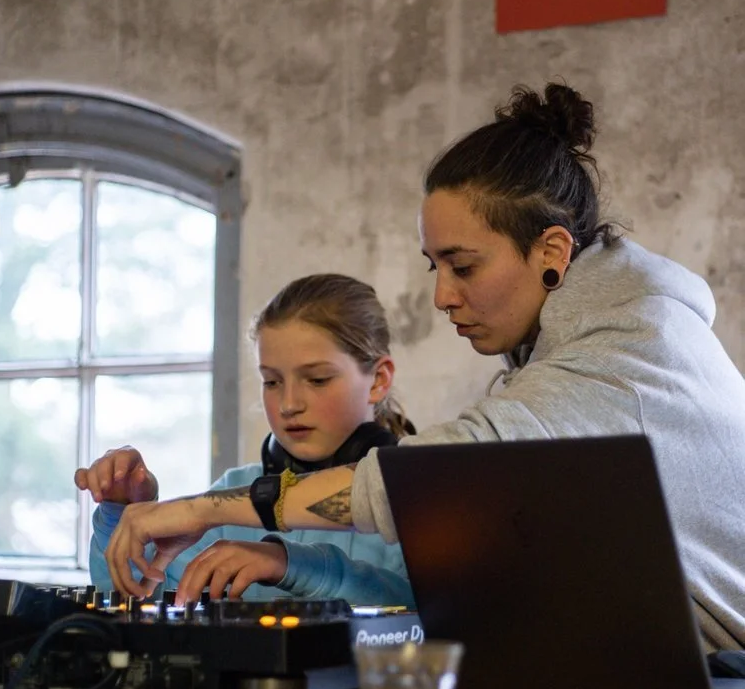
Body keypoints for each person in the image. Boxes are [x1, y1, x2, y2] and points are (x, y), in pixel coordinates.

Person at [101, 82, 745, 658]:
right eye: (435, 266)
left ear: (551, 250)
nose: (442, 296)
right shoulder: (605, 332)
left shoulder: (623, 347)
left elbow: (435, 478)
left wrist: (203, 511)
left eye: (463, 266)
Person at [75, 273, 415, 607]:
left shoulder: (417, 497)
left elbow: (423, 609)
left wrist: (286, 563)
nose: (289, 404)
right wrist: (121, 511)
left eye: (317, 379)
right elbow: (142, 595)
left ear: (378, 380)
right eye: (271, 382)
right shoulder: (233, 489)